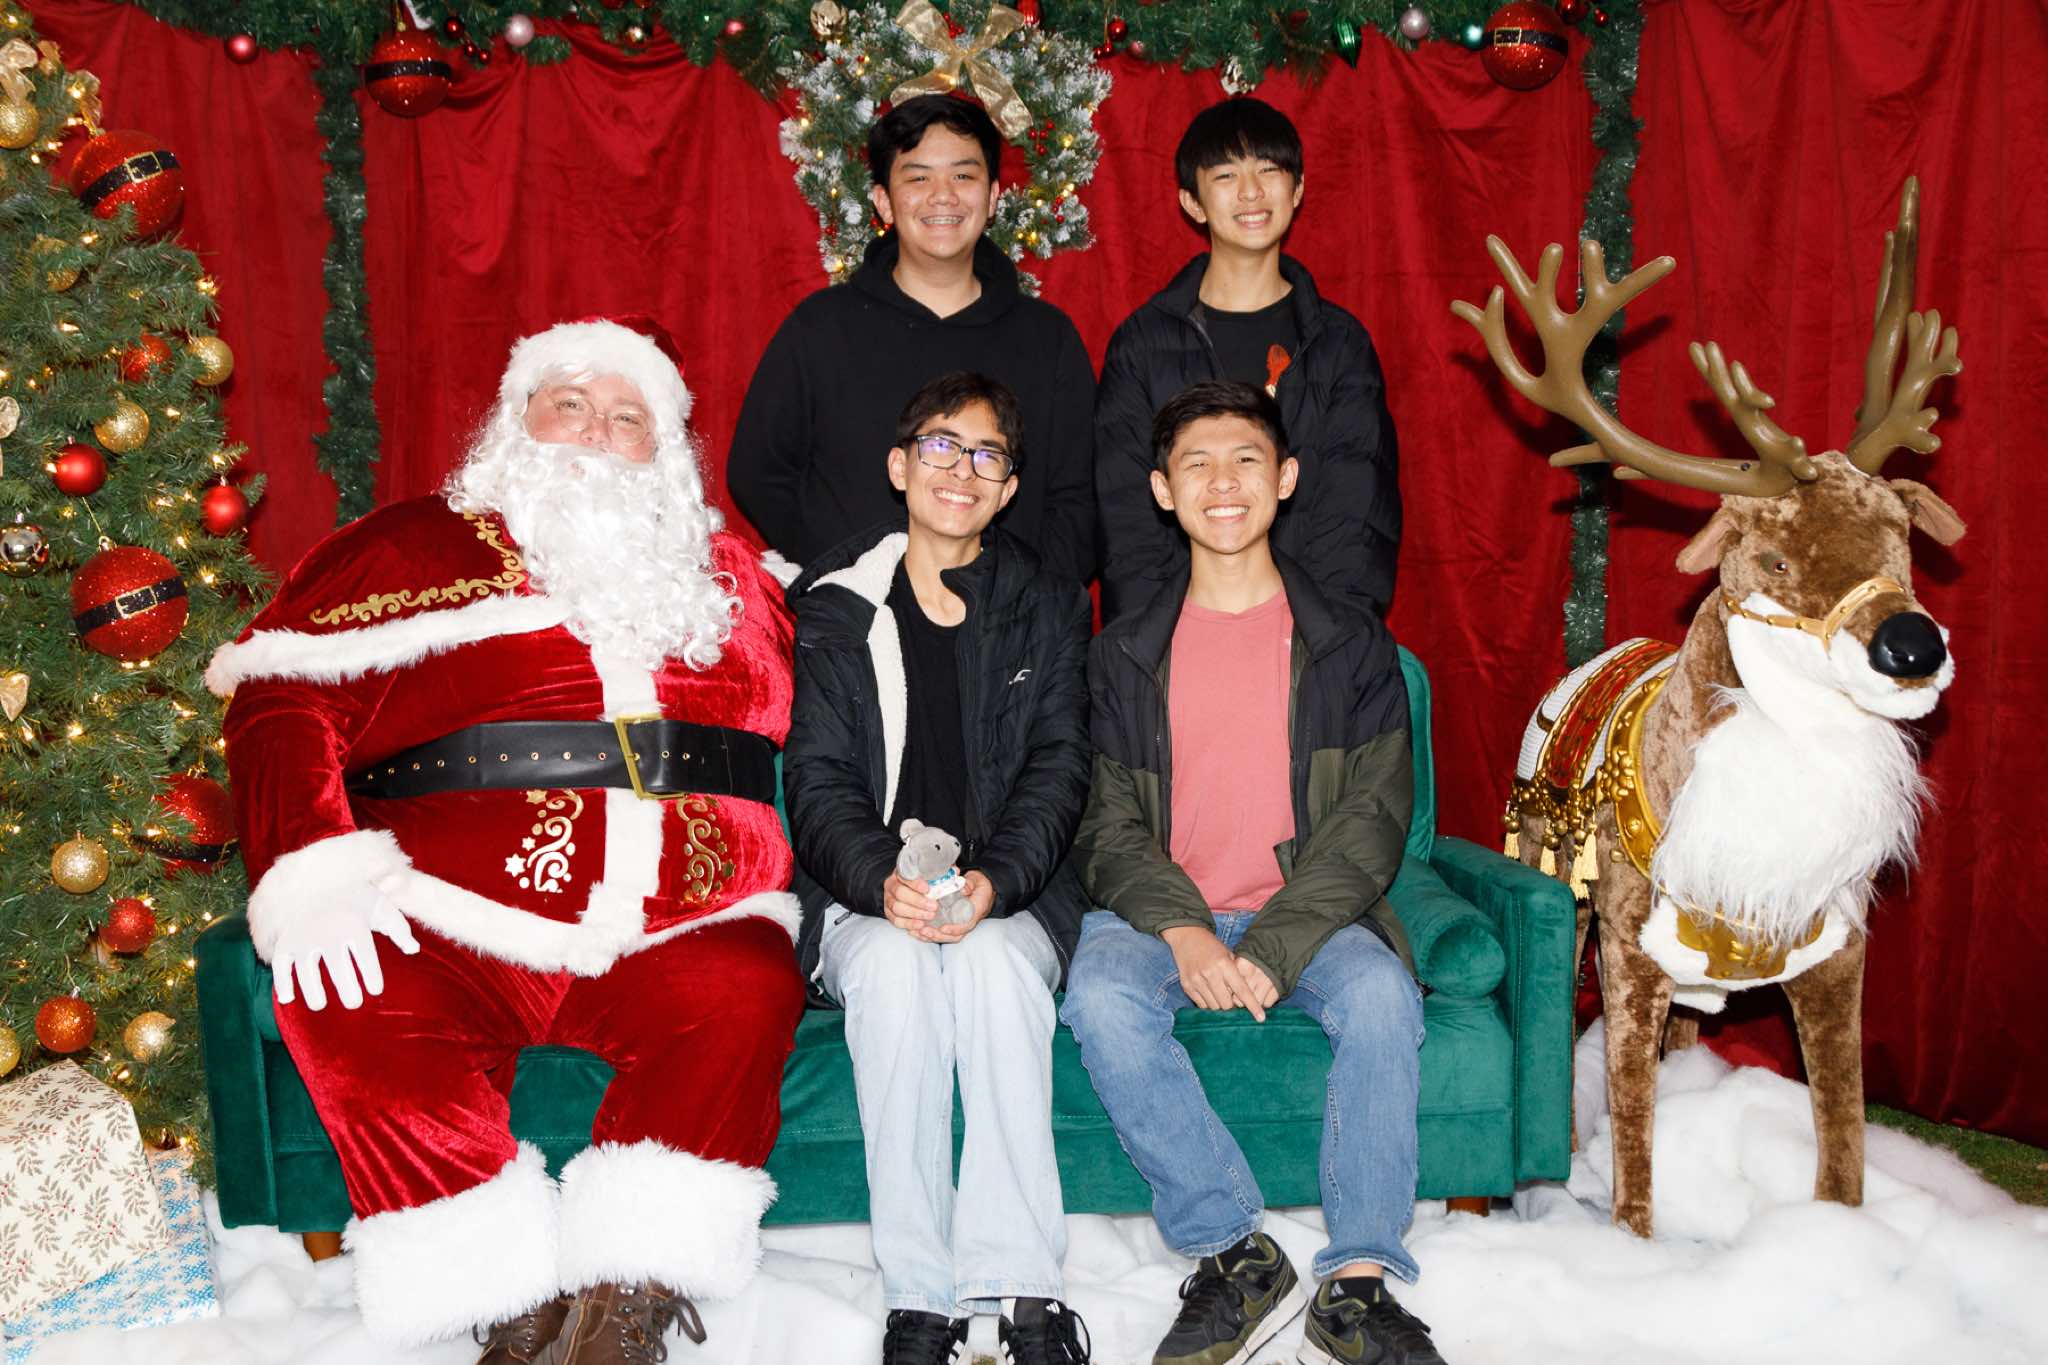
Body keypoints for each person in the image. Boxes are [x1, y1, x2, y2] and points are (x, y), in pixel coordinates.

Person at [212, 318, 804, 1365]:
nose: (595, 430)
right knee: (342, 991)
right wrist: (307, 861)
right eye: (569, 403)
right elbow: (279, 697)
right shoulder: (410, 545)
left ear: (665, 448)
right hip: (452, 914)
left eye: (628, 416)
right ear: (516, 419)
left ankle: (629, 1293)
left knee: (747, 984)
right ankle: (502, 1295)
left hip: (679, 924)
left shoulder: (731, 580)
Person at [1061, 382, 1448, 1365]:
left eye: (1245, 460)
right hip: (1158, 917)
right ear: (1162, 490)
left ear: (1285, 479)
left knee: (1382, 999)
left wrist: (1274, 945)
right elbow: (1102, 824)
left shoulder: (1351, 644)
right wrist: (1185, 929)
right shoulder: (1120, 654)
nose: (1222, 482)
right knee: (1099, 998)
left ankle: (1358, 1285)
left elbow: (1370, 821)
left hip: (1309, 914)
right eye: (1195, 463)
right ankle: (1234, 1252)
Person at [783, 372, 1094, 1365]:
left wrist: (997, 882)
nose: (961, 470)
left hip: (1012, 890)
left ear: (1008, 487)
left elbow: (1059, 768)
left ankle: (1025, 1290)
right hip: (866, 893)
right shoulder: (835, 605)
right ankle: (917, 1298)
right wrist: (881, 880)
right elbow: (817, 779)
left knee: (995, 967)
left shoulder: (1048, 605)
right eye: (940, 447)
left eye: (987, 454)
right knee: (894, 969)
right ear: (899, 465)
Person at [728, 94, 1096, 585]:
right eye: (918, 178)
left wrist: (1029, 598)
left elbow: (1080, 497)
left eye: (963, 176)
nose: (942, 196)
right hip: (855, 616)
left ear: (992, 197)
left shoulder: (1048, 338)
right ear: (883, 201)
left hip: (1007, 621)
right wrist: (840, 574)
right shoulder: (821, 327)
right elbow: (758, 471)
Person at [1092, 97, 1400, 624]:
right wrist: (1160, 646)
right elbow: (1127, 520)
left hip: (1314, 638)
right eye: (1226, 175)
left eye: (1269, 170)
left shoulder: (1340, 344)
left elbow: (1358, 513)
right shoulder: (1141, 345)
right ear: (1192, 202)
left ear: (1297, 190)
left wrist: (1319, 642)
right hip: (1176, 638)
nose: (1251, 191)